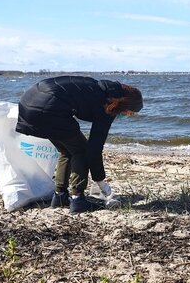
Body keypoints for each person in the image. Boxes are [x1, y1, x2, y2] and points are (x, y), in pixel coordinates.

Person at [15, 75, 143, 213]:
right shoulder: (106, 106)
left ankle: (60, 196)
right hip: (49, 108)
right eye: (130, 112)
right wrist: (102, 184)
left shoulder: (100, 89)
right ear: (124, 104)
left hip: (28, 104)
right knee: (81, 150)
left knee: (67, 149)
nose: (128, 116)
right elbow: (94, 150)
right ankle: (78, 199)